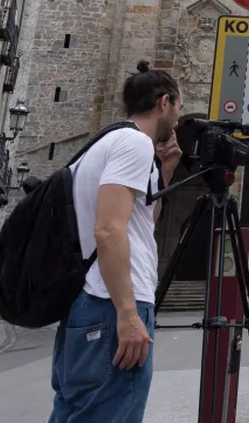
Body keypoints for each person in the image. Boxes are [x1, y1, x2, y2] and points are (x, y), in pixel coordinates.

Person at [49, 62, 183, 423]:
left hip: (91, 302)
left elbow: (136, 225)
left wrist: (165, 174)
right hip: (111, 304)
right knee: (110, 412)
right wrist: (127, 313)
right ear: (164, 103)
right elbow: (108, 229)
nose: (178, 118)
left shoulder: (111, 142)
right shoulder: (134, 143)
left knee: (74, 411)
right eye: (179, 108)